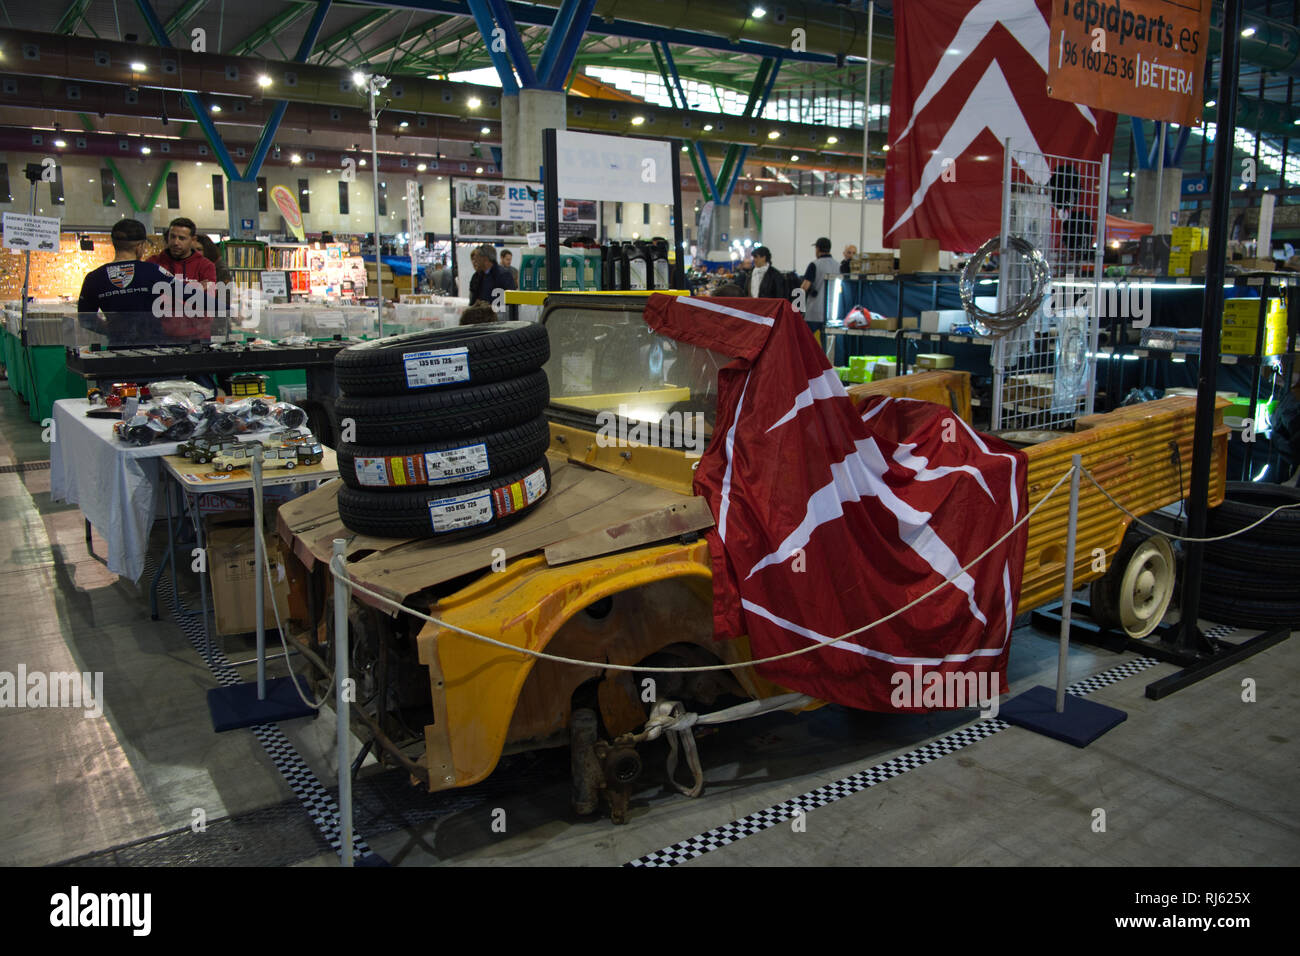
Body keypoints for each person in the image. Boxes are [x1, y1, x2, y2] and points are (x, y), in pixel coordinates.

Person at [76, 218, 173, 346]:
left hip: (118, 347)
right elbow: (191, 296)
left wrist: (112, 330)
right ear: (140, 246)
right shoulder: (153, 271)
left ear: (114, 244)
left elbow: (85, 319)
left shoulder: (94, 277)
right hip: (153, 347)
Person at [150, 217, 218, 284]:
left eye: (182, 238)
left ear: (193, 240)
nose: (175, 242)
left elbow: (210, 293)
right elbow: (145, 292)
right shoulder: (153, 262)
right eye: (172, 237)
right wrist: (194, 288)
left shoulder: (205, 266)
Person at [800, 236, 839, 320]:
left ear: (817, 249)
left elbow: (804, 287)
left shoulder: (814, 264)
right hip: (832, 312)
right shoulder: (838, 265)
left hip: (815, 312)